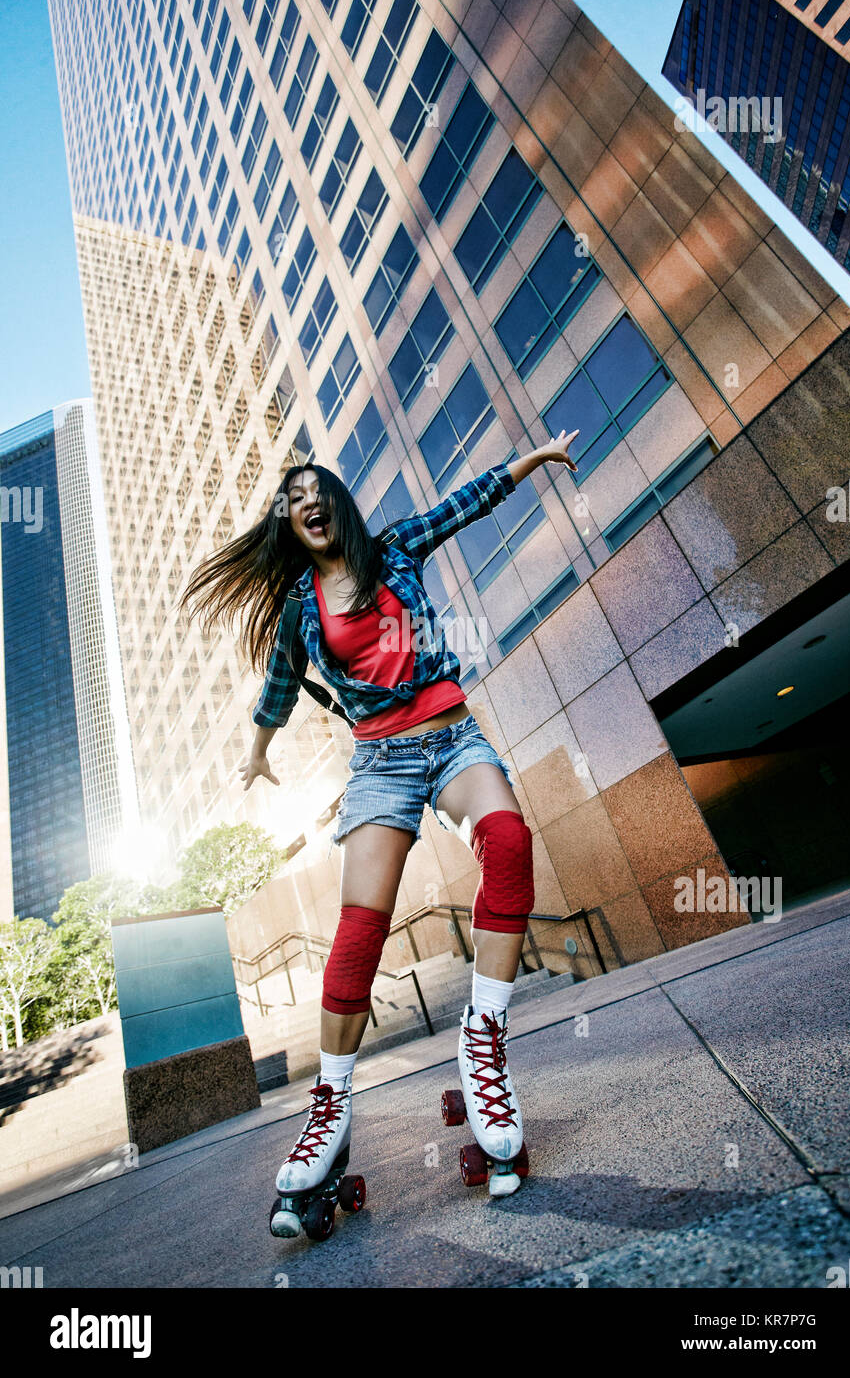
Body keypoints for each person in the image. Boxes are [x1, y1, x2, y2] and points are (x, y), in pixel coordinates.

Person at [180, 427, 578, 1201]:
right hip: (381, 764)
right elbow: (278, 687)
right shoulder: (300, 605)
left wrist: (531, 460)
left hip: (453, 738)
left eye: (318, 492)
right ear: (290, 525)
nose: (310, 505)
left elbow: (467, 503)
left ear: (338, 505)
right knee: (361, 926)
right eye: (295, 501)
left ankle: (483, 1042)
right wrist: (256, 751)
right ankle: (329, 1105)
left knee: (507, 838)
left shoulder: (395, 548)